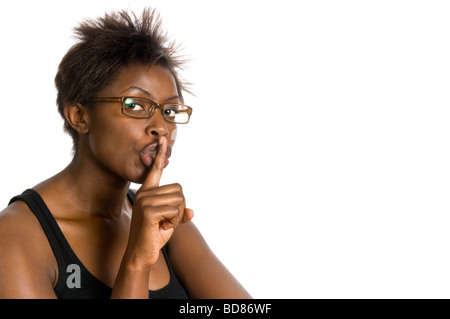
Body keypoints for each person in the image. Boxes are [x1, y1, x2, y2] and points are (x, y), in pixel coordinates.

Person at [0, 8, 251, 299]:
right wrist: (137, 261)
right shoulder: (16, 238)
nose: (161, 128)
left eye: (169, 111)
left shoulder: (161, 219)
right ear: (79, 115)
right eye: (134, 105)